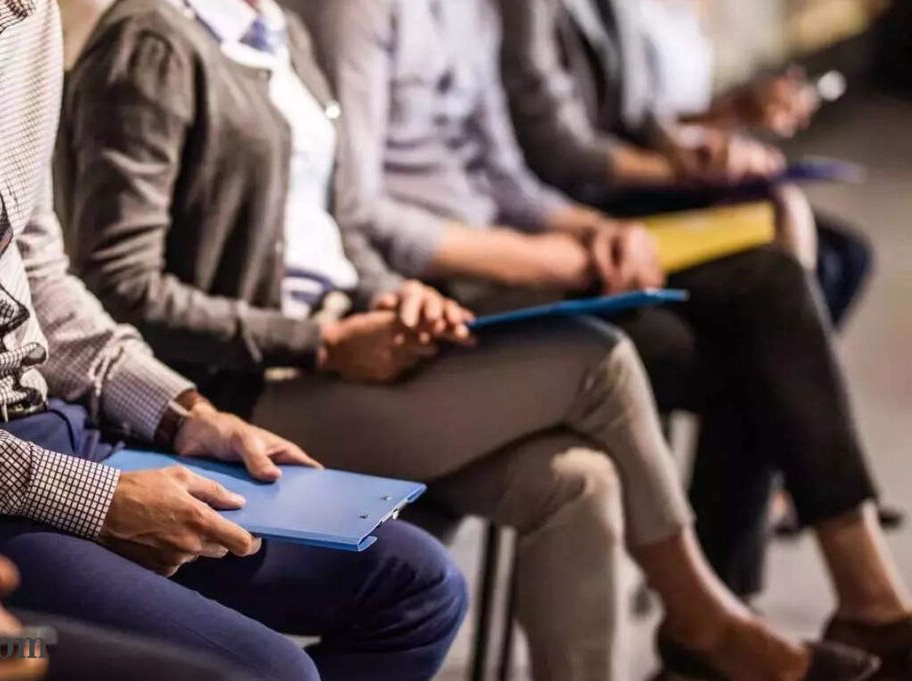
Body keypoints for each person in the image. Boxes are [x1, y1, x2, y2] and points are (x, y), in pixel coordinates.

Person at [59, 1, 884, 680]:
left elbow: (342, 227)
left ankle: (710, 623)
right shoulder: (154, 41)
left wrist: (399, 297)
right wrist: (321, 339)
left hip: (349, 334)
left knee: (579, 479)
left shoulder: (277, 25)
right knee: (600, 359)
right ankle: (706, 618)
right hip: (252, 384)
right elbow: (119, 283)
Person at [0, 0, 469, 678]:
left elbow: (42, 274)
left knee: (419, 584)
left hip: (54, 426)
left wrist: (184, 412)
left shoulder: (31, 19)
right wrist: (94, 499)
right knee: (272, 672)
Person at [288, 0, 912, 679]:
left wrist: (589, 230)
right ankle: (747, 618)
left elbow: (504, 173)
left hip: (514, 241)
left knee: (770, 283)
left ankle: (800, 607)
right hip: (441, 282)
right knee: (748, 343)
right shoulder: (357, 11)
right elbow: (360, 207)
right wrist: (552, 258)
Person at [497, 0, 873, 329]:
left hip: (636, 174)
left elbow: (640, 112)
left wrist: (689, 148)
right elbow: (560, 148)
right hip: (587, 194)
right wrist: (684, 170)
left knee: (844, 252)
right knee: (784, 265)